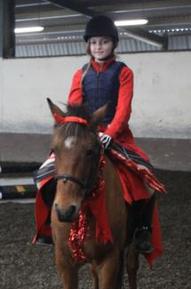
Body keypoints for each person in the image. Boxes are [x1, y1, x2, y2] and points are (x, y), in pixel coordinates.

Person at [34, 15, 165, 260]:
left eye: (104, 42)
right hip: (85, 133)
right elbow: (74, 105)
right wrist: (82, 131)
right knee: (46, 173)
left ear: (113, 44)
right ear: (88, 45)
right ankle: (50, 228)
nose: (99, 47)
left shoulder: (124, 72)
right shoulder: (80, 74)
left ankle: (141, 231)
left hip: (117, 135)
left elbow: (124, 109)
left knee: (144, 175)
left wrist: (110, 134)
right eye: (94, 42)